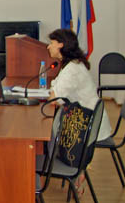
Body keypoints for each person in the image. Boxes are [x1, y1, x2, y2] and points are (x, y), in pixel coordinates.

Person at [47, 28, 112, 194]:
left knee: (49, 133)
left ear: (61, 45)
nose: (48, 47)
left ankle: (74, 171)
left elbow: (55, 98)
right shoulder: (72, 65)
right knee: (50, 129)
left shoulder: (72, 69)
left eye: (51, 43)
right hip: (83, 120)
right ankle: (76, 171)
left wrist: (53, 91)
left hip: (86, 126)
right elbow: (56, 89)